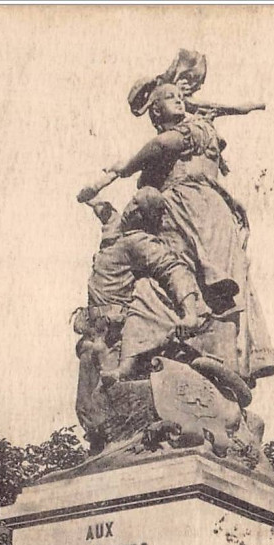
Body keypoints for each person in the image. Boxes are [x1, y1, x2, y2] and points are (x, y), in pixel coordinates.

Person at [78, 78, 274, 386]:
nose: (179, 100)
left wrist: (125, 167)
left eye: (178, 96)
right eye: (169, 98)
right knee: (171, 282)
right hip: (185, 212)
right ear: (155, 111)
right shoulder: (180, 146)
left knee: (211, 283)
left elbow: (162, 145)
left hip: (197, 210)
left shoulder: (194, 130)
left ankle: (212, 353)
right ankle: (171, 350)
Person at [74, 187, 208, 449]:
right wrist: (90, 198)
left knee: (109, 398)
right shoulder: (115, 228)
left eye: (139, 208)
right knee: (86, 406)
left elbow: (174, 270)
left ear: (145, 219)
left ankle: (122, 449)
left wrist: (190, 312)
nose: (132, 208)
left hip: (113, 336)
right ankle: (102, 453)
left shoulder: (139, 242)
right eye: (133, 201)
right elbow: (105, 211)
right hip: (92, 334)